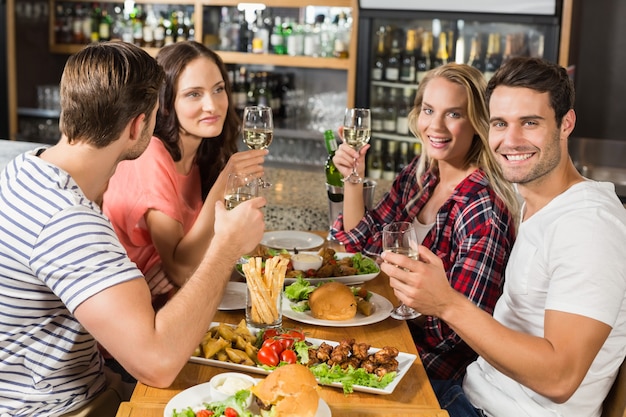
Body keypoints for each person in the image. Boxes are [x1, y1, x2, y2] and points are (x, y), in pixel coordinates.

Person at [0, 42, 265, 416]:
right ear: (139, 124)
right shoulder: (69, 222)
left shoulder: (25, 169)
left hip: (84, 388)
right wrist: (227, 246)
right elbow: (158, 364)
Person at [381, 56, 626, 417]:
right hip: (468, 393)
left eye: (530, 123)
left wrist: (445, 302)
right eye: (500, 123)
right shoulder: (536, 203)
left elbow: (560, 378)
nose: (510, 141)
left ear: (565, 123)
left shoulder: (589, 226)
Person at [331, 63, 519, 380]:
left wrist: (399, 300)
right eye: (429, 110)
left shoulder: (482, 210)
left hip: (428, 372)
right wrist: (353, 178)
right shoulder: (422, 174)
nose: (436, 126)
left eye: (454, 114)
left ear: (478, 123)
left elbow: (452, 335)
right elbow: (361, 246)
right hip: (390, 334)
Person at [103, 41, 267, 306]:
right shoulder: (151, 154)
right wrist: (224, 186)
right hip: (132, 321)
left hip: (175, 306)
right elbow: (182, 270)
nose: (212, 106)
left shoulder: (204, 156)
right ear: (165, 102)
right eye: (194, 94)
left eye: (218, 89)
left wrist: (188, 266)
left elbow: (200, 259)